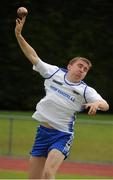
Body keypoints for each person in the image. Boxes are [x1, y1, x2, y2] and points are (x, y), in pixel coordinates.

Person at [15, 15, 109, 179]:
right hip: (43, 133)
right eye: (80, 65)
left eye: (85, 69)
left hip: (62, 135)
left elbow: (105, 104)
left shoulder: (85, 90)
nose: (82, 70)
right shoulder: (54, 73)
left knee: (48, 173)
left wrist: (97, 104)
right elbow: (32, 56)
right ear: (70, 66)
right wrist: (18, 35)